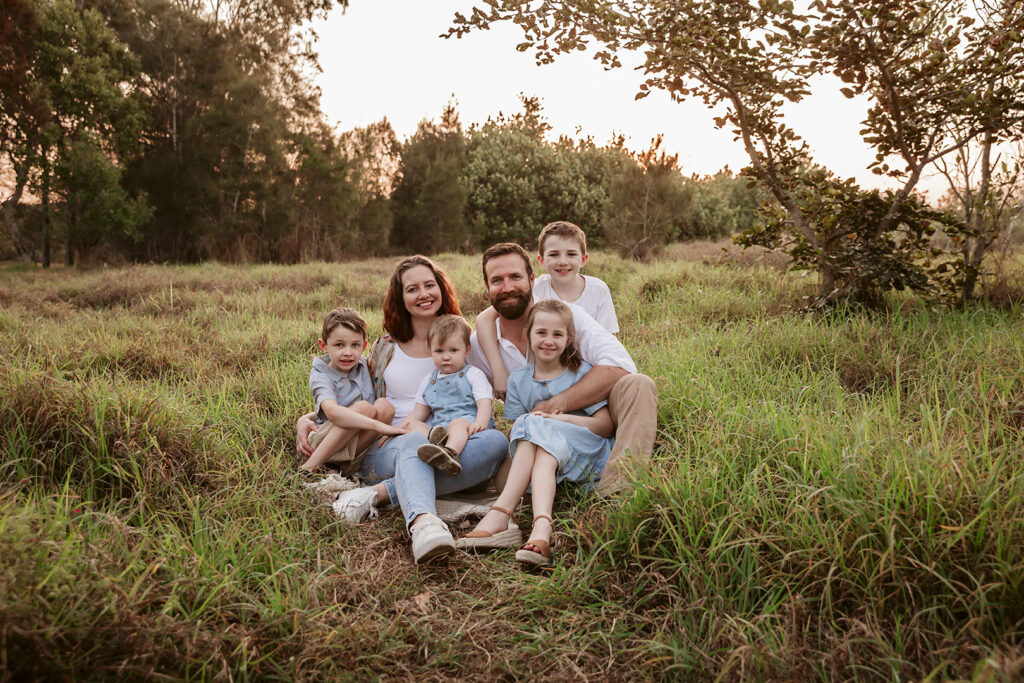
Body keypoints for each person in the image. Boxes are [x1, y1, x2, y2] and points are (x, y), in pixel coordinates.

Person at [296, 256, 509, 564]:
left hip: (450, 444)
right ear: (401, 297)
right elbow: (357, 396)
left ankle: (376, 494)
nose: (423, 294)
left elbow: (483, 395)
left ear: (441, 289)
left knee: (497, 442)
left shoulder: (464, 340)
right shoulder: (385, 346)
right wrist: (307, 417)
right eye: (412, 288)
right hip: (391, 444)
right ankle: (424, 523)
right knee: (413, 439)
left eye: (429, 285)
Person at [466, 242, 657, 501]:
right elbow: (461, 389)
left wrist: (556, 405)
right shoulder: (480, 344)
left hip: (586, 422)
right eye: (497, 280)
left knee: (638, 384)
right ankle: (544, 493)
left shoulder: (567, 317)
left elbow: (620, 365)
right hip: (538, 441)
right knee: (507, 476)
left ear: (532, 279)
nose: (508, 287)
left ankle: (617, 492)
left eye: (515, 277)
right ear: (487, 288)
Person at [457, 300, 614, 568]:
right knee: (535, 436)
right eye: (541, 333)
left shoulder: (581, 373)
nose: (549, 341)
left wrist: (560, 418)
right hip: (547, 459)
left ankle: (501, 514)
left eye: (557, 334)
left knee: (533, 423)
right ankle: (542, 530)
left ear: (569, 339)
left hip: (586, 453)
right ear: (528, 335)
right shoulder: (518, 379)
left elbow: (605, 427)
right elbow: (522, 435)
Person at [474, 221, 619, 399]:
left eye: (571, 254)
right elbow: (486, 317)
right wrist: (498, 370)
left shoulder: (596, 290)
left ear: (583, 258)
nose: (563, 262)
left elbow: (609, 340)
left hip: (588, 367)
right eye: (554, 254)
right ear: (541, 260)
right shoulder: (539, 287)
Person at [303, 307, 404, 474]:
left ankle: (337, 468)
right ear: (323, 345)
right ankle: (309, 467)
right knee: (365, 407)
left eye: (355, 345)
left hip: (354, 446)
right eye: (339, 345)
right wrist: (378, 426)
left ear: (364, 346)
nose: (348, 353)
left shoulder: (364, 364)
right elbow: (332, 412)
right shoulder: (321, 375)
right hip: (322, 443)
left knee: (385, 406)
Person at [398, 314, 493, 476]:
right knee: (413, 425)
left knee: (456, 423)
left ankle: (450, 454)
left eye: (453, 350)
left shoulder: (473, 374)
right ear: (431, 351)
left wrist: (480, 423)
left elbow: (484, 403)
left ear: (467, 350)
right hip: (440, 429)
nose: (446, 356)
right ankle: (437, 445)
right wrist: (398, 428)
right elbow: (419, 412)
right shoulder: (429, 379)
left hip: (468, 423)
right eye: (439, 351)